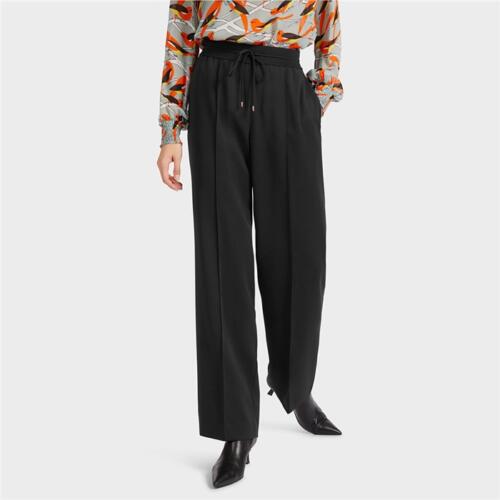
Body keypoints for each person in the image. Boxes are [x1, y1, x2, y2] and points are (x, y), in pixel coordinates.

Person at [156, 0, 344, 488]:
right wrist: (170, 128)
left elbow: (328, 24)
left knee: (300, 250)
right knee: (223, 259)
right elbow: (180, 28)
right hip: (216, 83)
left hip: (286, 86)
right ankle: (236, 428)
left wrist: (318, 95)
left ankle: (294, 384)